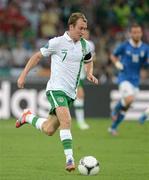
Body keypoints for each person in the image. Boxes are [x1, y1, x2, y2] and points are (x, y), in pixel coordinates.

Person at [16, 12, 98, 171]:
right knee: (66, 121)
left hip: (70, 93)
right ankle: (70, 160)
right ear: (71, 26)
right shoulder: (57, 42)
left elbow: (89, 60)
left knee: (49, 129)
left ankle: (27, 117)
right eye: (80, 28)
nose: (83, 31)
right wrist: (23, 75)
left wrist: (89, 73)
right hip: (56, 89)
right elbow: (37, 57)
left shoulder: (85, 45)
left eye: (85, 28)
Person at [108, 23, 149, 136]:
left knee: (126, 108)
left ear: (141, 33)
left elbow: (146, 64)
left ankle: (113, 127)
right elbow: (113, 55)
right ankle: (115, 109)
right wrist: (117, 64)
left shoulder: (145, 48)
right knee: (129, 99)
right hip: (124, 78)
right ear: (130, 34)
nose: (137, 34)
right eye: (134, 32)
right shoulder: (124, 46)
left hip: (136, 81)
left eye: (139, 32)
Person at [73, 29, 96, 130]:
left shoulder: (90, 44)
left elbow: (91, 59)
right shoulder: (75, 43)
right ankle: (81, 122)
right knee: (80, 95)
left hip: (81, 75)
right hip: (73, 74)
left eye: (87, 32)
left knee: (74, 97)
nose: (85, 34)